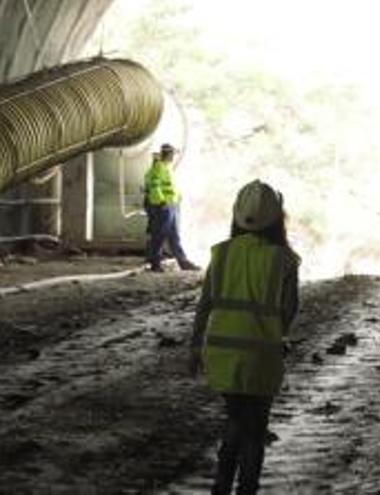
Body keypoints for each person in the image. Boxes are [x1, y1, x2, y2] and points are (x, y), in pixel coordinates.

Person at [190, 179, 300, 494]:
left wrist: (195, 346)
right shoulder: (284, 259)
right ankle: (246, 487)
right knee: (254, 427)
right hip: (263, 356)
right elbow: (288, 311)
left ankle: (222, 484)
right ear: (278, 218)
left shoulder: (222, 254)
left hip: (222, 356)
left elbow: (205, 304)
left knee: (237, 419)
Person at [143, 143, 199, 272]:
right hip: (163, 206)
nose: (173, 157)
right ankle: (155, 263)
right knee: (159, 235)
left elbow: (170, 186)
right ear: (168, 154)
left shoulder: (166, 167)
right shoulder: (159, 167)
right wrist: (161, 202)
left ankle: (183, 261)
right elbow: (155, 186)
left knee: (174, 235)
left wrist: (178, 197)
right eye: (172, 154)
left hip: (171, 206)